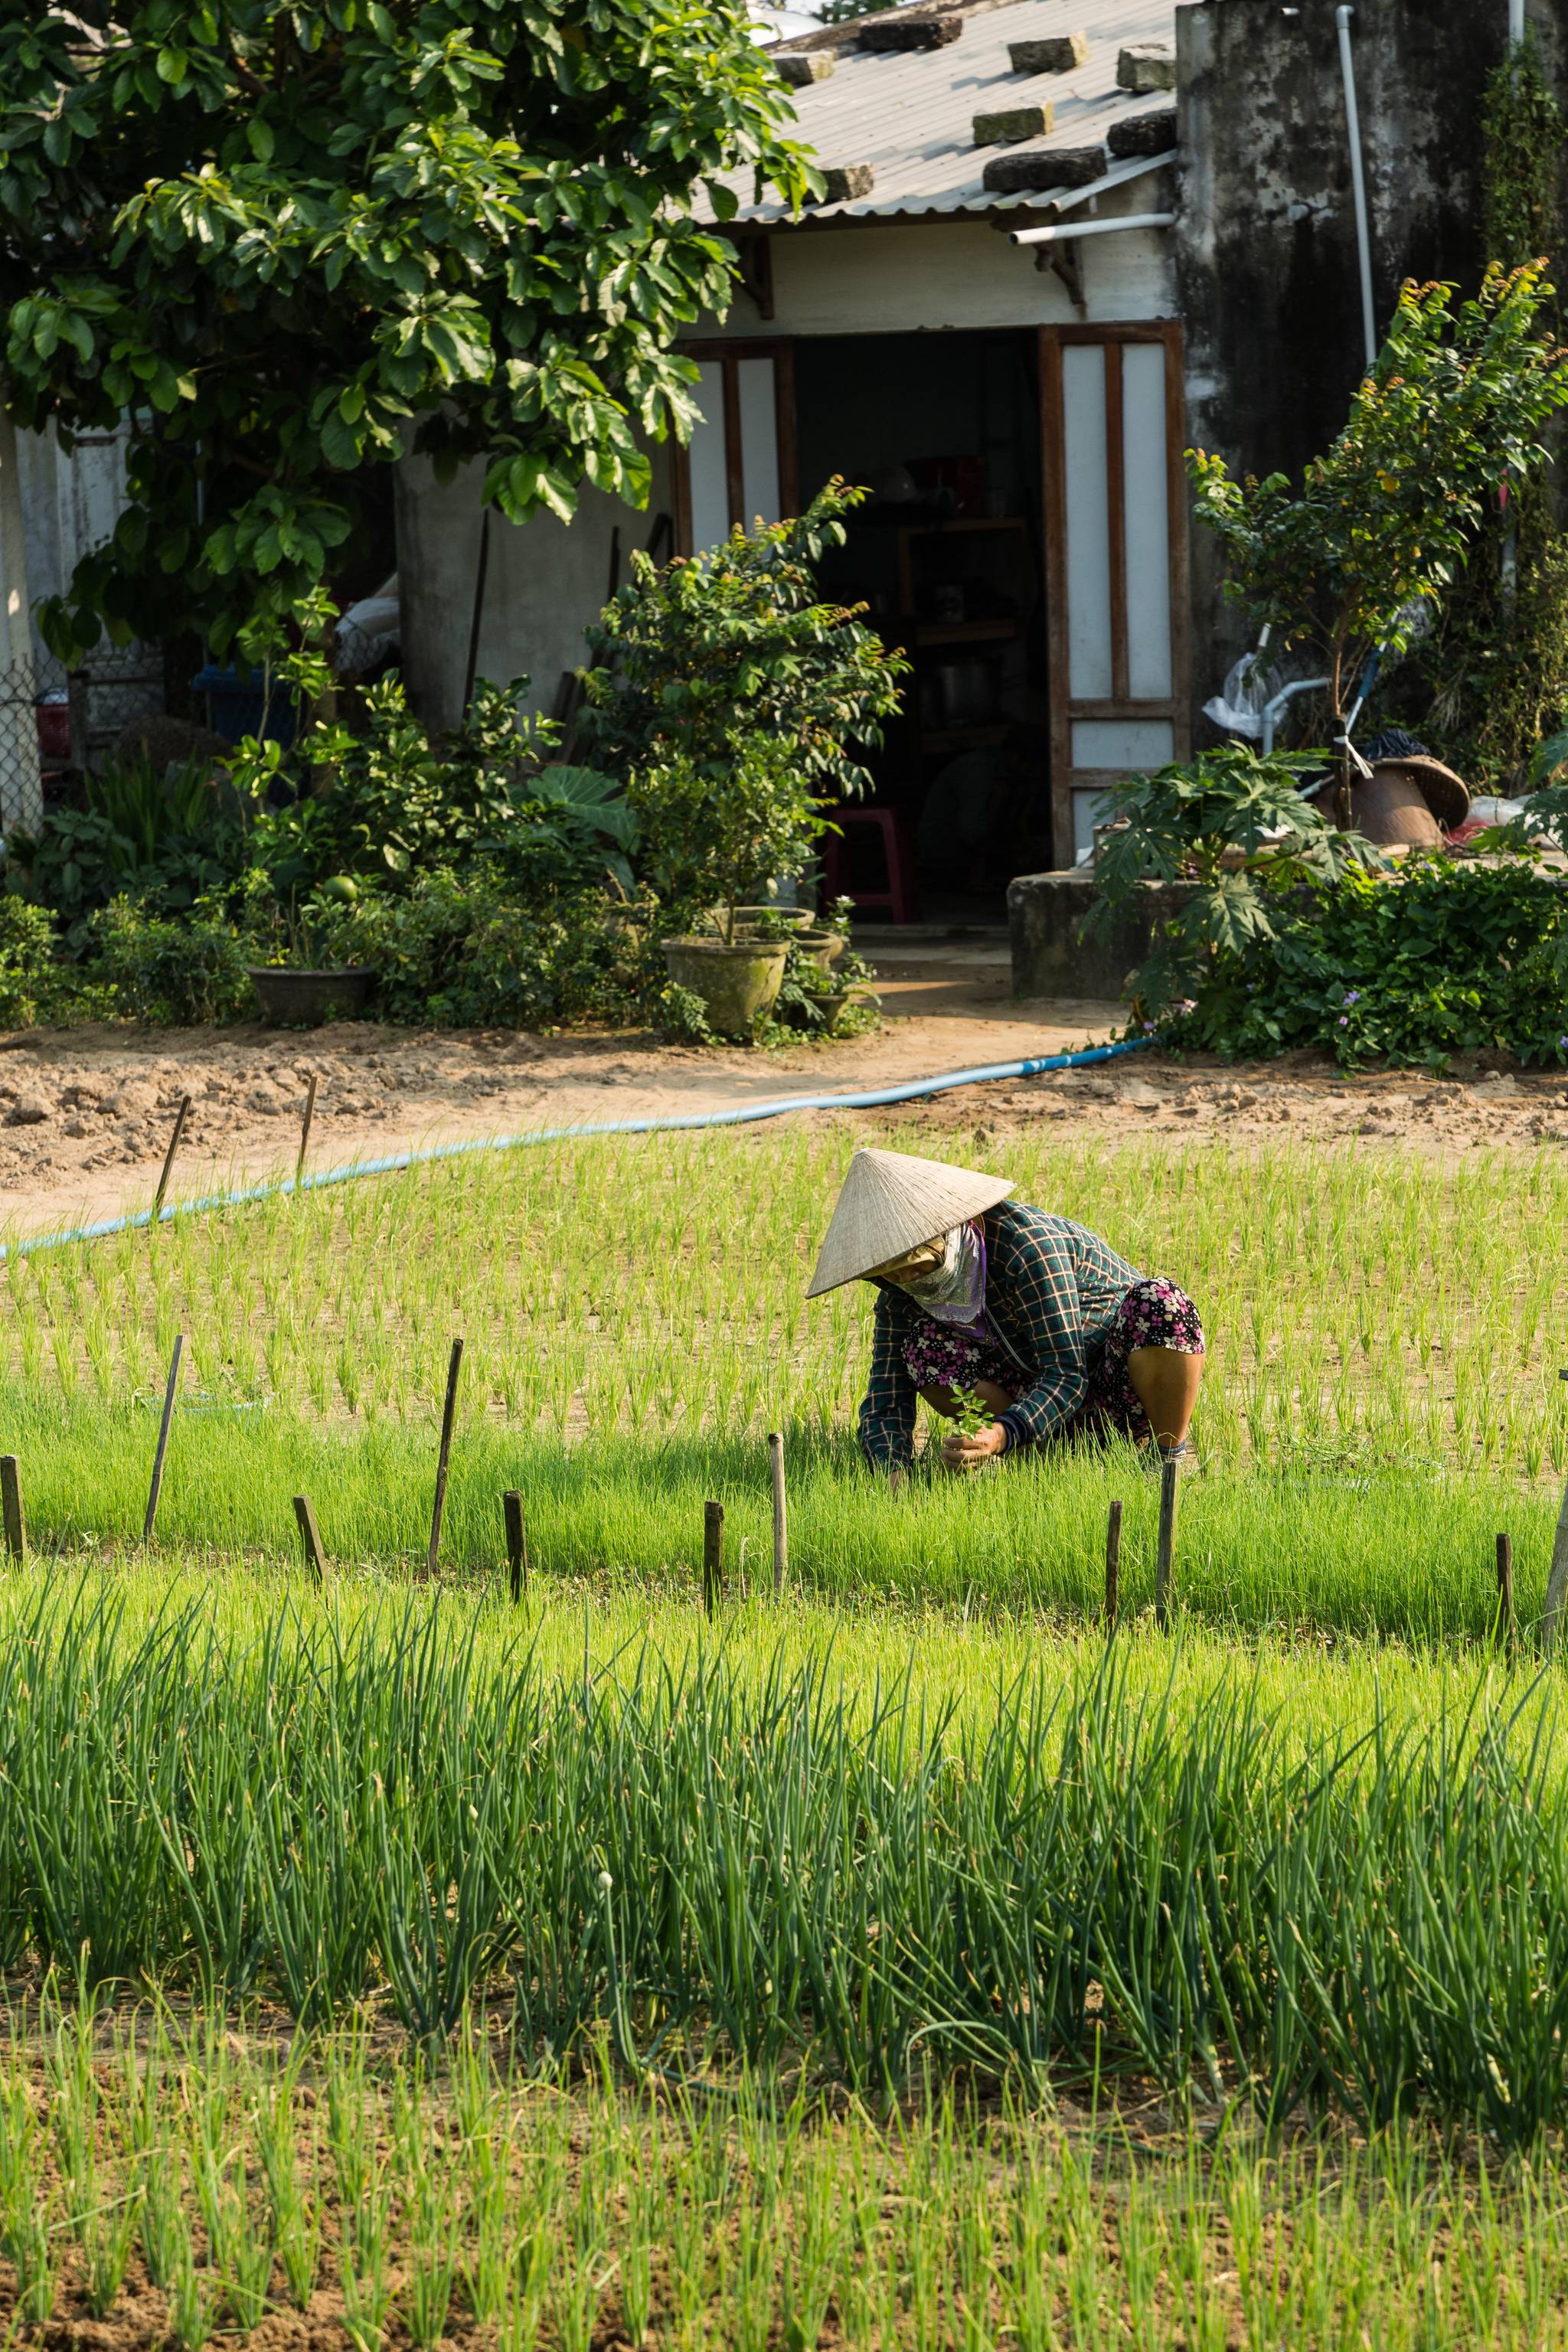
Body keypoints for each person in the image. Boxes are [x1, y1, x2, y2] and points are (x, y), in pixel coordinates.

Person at [805, 1145, 1204, 1478]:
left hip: (1111, 1379)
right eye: (893, 1274)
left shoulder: (1026, 1248)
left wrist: (999, 1434)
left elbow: (1065, 1373)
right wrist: (891, 1472)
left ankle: (1166, 1458)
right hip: (1044, 1402)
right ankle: (1045, 1456)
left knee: (1161, 1303)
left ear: (946, 1232)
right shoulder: (900, 1292)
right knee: (922, 1351)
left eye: (916, 1264)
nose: (909, 1279)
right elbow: (886, 1397)